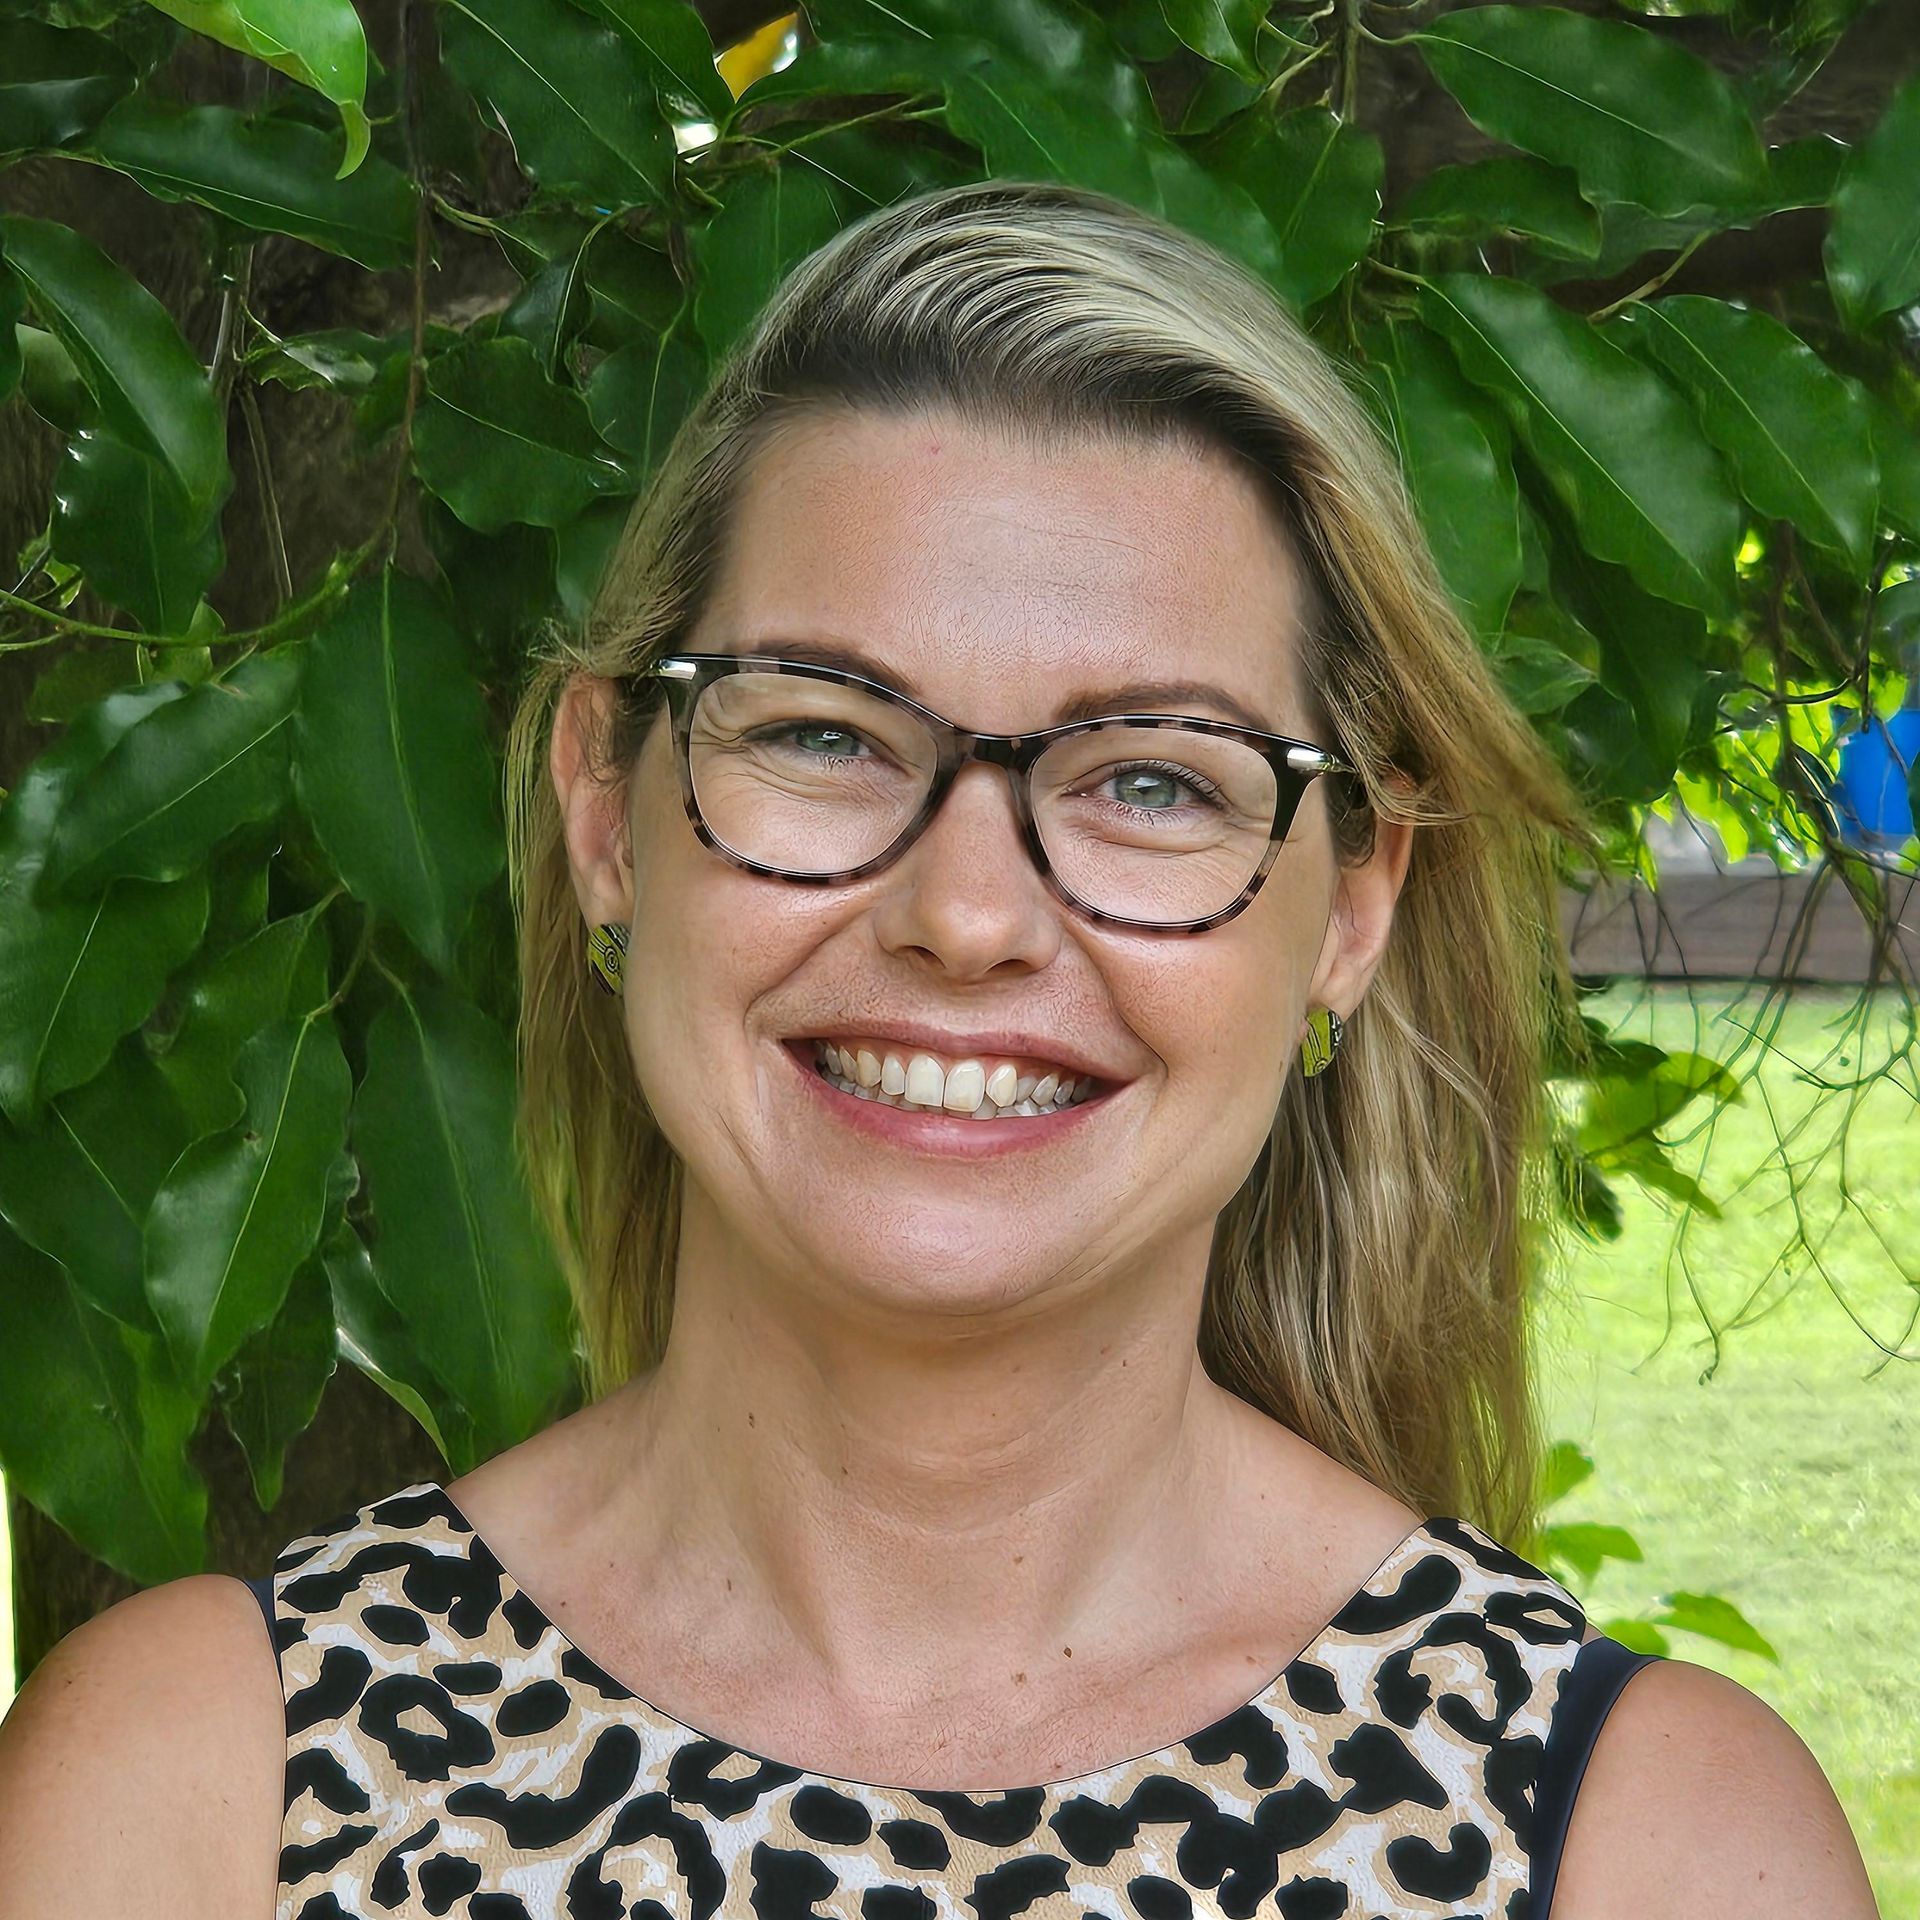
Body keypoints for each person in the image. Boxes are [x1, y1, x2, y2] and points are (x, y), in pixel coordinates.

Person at [0, 180, 1879, 1919]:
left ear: (1357, 905)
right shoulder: (190, 1799)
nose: (967, 915)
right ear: (603, 806)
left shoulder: (1654, 1849)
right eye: (822, 734)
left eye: (1150, 778)